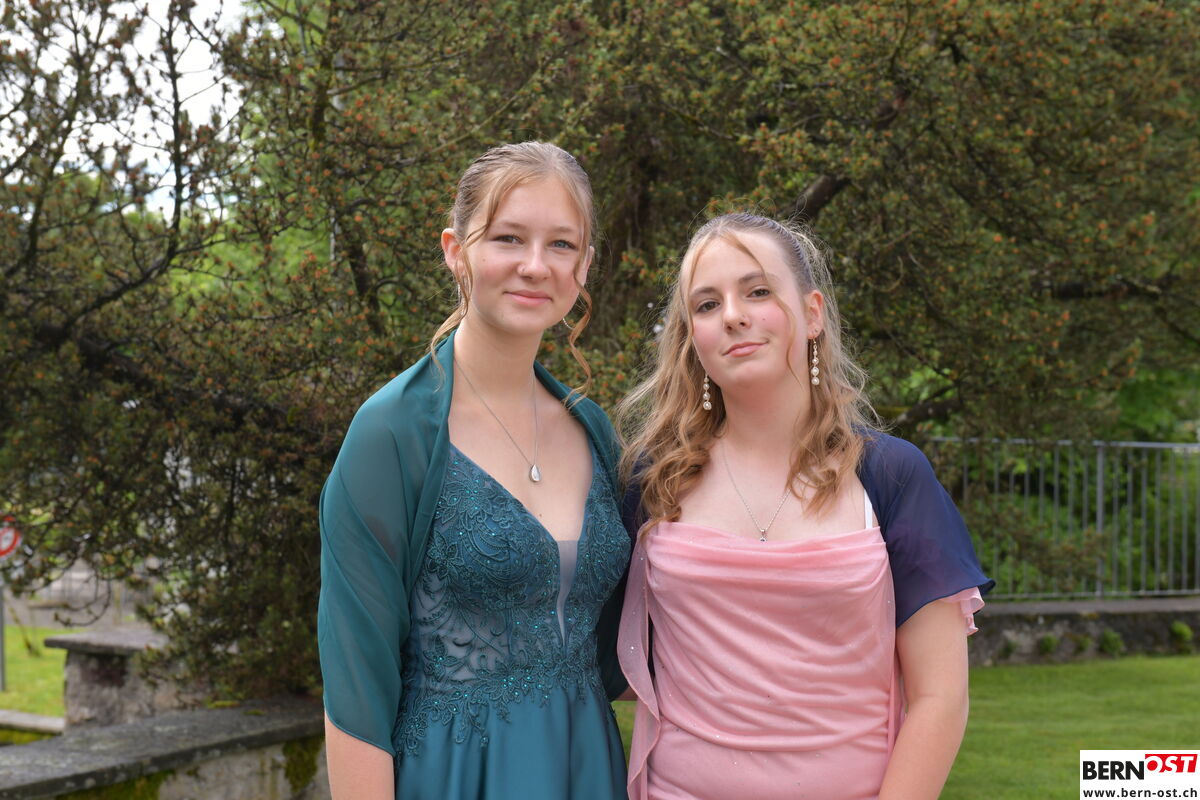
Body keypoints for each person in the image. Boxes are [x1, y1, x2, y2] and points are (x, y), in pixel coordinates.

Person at [616, 213, 994, 800]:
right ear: (692, 337)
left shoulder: (890, 476)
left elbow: (939, 698)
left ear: (813, 313)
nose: (733, 315)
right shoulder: (654, 479)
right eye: (707, 305)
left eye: (758, 292)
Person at [318, 142, 631, 800]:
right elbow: (355, 697)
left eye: (562, 245)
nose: (535, 266)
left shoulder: (594, 431)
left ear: (584, 266)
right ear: (455, 250)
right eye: (508, 238)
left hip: (585, 767)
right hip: (454, 776)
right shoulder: (391, 434)